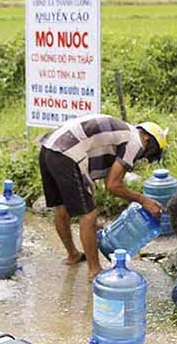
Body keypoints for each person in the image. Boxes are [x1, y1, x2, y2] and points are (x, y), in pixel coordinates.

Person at [39, 114, 168, 279]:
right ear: (147, 138)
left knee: (62, 206)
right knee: (89, 215)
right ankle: (95, 270)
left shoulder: (124, 132)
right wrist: (144, 201)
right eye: (151, 151)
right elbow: (113, 186)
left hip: (49, 148)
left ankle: (73, 255)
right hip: (67, 153)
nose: (145, 156)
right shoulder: (135, 142)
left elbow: (109, 179)